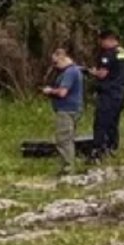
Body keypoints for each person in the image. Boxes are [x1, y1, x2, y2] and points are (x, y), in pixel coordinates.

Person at [88, 30, 124, 161]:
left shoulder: (108, 54)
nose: (101, 45)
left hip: (108, 92)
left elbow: (103, 74)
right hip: (121, 92)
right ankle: (113, 148)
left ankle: (98, 151)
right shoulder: (123, 52)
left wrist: (92, 72)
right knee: (113, 123)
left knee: (101, 122)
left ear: (107, 40)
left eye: (101, 41)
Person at [43, 47, 84, 176]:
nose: (54, 66)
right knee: (68, 138)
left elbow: (62, 92)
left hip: (67, 110)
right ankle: (68, 166)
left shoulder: (70, 72)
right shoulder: (72, 71)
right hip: (71, 108)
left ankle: (68, 169)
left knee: (63, 140)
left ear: (62, 57)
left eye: (56, 62)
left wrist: (50, 91)